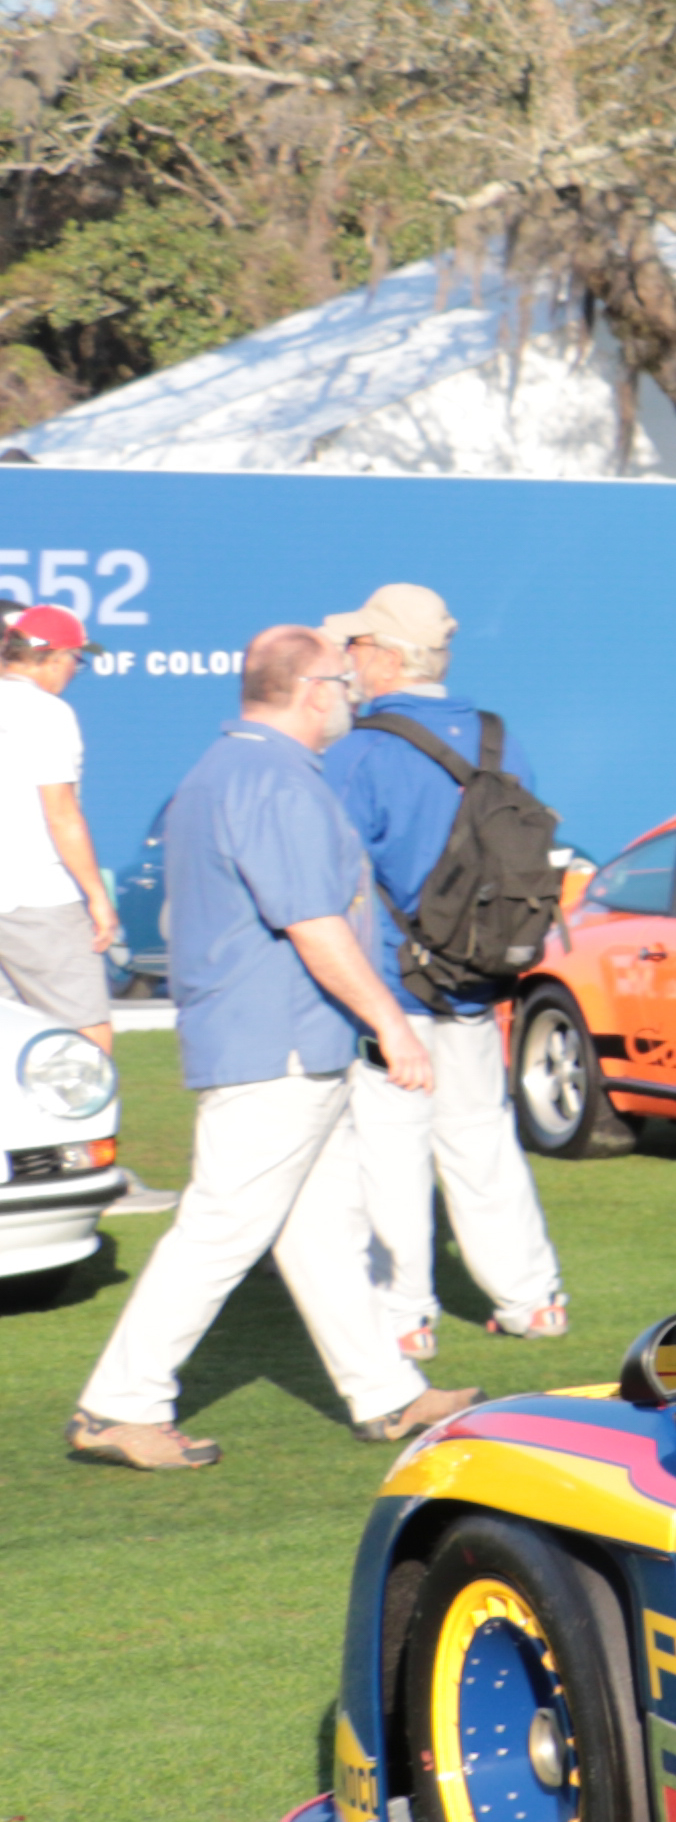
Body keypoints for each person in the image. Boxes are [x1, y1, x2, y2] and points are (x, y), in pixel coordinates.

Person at [64, 630, 476, 1470]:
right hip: (278, 1040)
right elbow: (313, 925)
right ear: (311, 689)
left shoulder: (226, 769)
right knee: (222, 1227)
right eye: (344, 683)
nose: (354, 696)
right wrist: (391, 1025)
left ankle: (386, 1393)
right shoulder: (272, 778)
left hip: (275, 1035)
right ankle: (118, 1406)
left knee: (321, 1228)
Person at [320, 581, 572, 1349]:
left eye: (357, 646)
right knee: (481, 1137)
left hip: (393, 988)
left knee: (390, 1150)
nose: (348, 658)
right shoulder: (498, 737)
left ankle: (403, 1317)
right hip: (476, 976)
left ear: (387, 657)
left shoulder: (357, 752)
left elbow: (334, 878)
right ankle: (532, 1300)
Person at [0, 600, 116, 1031]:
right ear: (51, 658)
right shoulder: (48, 714)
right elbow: (61, 815)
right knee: (87, 1034)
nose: (73, 670)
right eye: (75, 659)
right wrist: (97, 898)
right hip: (39, 896)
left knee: (11, 1042)